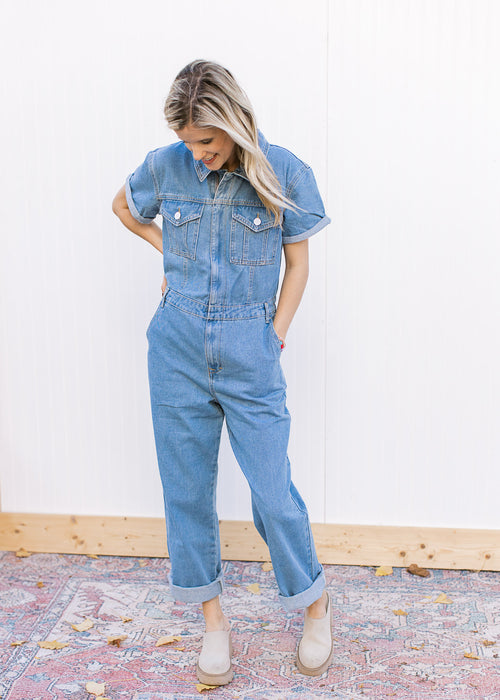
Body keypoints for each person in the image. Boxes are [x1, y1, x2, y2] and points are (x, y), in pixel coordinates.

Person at [112, 59, 332, 686]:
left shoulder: (284, 171)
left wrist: (277, 334)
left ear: (235, 124)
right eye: (188, 143)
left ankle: (315, 604)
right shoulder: (165, 166)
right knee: (186, 490)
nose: (198, 154)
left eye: (206, 142)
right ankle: (214, 622)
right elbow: (124, 208)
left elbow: (299, 265)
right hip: (176, 342)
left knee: (272, 493)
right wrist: (169, 251)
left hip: (251, 344)